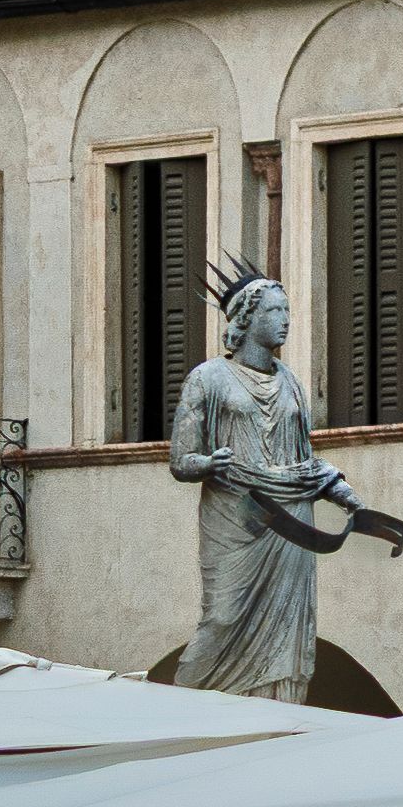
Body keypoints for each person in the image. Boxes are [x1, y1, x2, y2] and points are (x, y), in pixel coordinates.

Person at [170, 269, 352, 699]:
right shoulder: (208, 378)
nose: (286, 318)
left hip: (291, 518)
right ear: (247, 318)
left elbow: (303, 460)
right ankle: (178, 704)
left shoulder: (291, 383)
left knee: (290, 625)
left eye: (287, 309)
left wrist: (341, 491)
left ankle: (280, 707)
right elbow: (180, 459)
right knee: (222, 616)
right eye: (275, 310)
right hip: (236, 515)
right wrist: (206, 463)